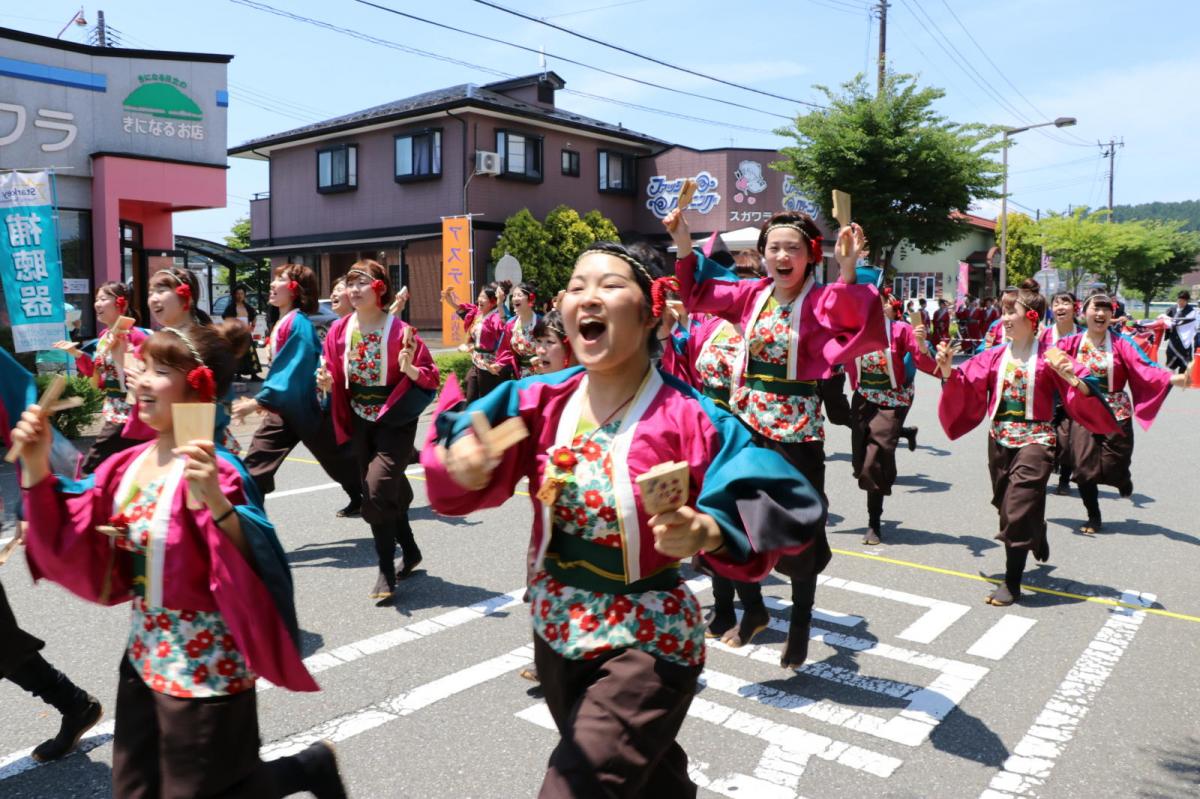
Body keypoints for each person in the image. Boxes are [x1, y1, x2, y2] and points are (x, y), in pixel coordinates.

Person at [421, 239, 826, 797]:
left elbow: (779, 493)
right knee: (651, 782)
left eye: (609, 285)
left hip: (648, 638)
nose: (587, 297)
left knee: (578, 785)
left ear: (650, 310)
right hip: (556, 627)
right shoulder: (536, 400)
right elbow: (460, 438)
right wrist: (460, 463)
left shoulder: (691, 415)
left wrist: (711, 528)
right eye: (577, 286)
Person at [13, 322, 345, 797]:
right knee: (135, 790)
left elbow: (258, 562)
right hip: (145, 657)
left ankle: (302, 770)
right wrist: (38, 465)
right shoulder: (124, 466)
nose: (141, 379)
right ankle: (305, 769)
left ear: (198, 384)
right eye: (142, 366)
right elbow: (78, 536)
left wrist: (217, 504)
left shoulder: (219, 470)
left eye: (160, 369)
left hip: (209, 664)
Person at [667, 207, 885, 667]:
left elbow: (853, 319)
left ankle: (802, 621)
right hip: (745, 424)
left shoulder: (823, 299)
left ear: (809, 255)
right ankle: (753, 608)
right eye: (773, 248)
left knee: (798, 530)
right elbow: (700, 291)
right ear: (762, 255)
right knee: (734, 521)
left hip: (797, 431)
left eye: (792, 248)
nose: (782, 256)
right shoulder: (751, 296)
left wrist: (846, 267)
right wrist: (685, 242)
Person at [934, 279, 1117, 606]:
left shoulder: (1051, 356)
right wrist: (948, 370)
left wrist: (1075, 379)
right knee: (1006, 507)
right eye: (1004, 311)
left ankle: (1012, 583)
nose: (1004, 318)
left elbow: (1088, 384)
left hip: (1037, 439)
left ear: (1031, 318)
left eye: (1010, 312)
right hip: (999, 439)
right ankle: (1037, 528)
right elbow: (964, 383)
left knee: (1016, 509)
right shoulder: (992, 356)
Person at [322, 261, 439, 600]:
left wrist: (411, 369)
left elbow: (431, 377)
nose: (353, 290)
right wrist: (327, 383)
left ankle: (386, 570)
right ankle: (411, 550)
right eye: (350, 283)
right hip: (359, 420)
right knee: (385, 492)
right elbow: (330, 370)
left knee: (374, 491)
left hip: (394, 420)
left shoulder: (401, 330)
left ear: (380, 288)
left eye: (362, 283)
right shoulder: (339, 331)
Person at [1054, 293, 1193, 533]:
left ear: (1112, 315)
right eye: (1096, 308)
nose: (1100, 313)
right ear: (1084, 312)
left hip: (1115, 410)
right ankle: (1093, 515)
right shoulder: (1070, 343)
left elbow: (1145, 368)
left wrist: (1174, 378)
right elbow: (1048, 362)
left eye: (1106, 309)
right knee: (1085, 469)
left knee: (1115, 464)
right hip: (1083, 411)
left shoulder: (1122, 343)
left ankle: (1121, 477)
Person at [234, 265, 363, 517]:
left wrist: (258, 400)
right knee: (256, 467)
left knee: (338, 459)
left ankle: (371, 496)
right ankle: (251, 526)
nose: (272, 284)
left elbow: (293, 372)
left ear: (295, 289)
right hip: (289, 409)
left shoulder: (299, 324)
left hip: (304, 409)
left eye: (280, 279)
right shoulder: (286, 321)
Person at [850, 291, 936, 545]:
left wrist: (922, 344)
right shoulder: (853, 330)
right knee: (860, 462)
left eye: (878, 302)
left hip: (893, 399)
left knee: (873, 460)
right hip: (864, 398)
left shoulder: (900, 330)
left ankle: (874, 522)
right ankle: (889, 459)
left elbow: (922, 358)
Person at [61, 282, 149, 474]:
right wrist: (75, 353)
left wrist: (124, 350)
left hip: (130, 411)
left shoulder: (136, 336)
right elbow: (96, 371)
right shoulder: (103, 336)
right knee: (123, 465)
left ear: (121, 304)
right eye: (96, 299)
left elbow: (141, 373)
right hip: (114, 408)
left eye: (103, 299)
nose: (97, 304)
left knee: (94, 462)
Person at [1041, 292, 1085, 494]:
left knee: (1068, 440)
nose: (1060, 306)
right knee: (1046, 437)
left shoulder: (1084, 335)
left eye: (1065, 302)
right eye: (1056, 303)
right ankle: (1041, 475)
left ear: (1075, 307)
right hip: (1048, 393)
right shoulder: (1044, 335)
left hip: (1075, 393)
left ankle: (1064, 480)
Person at [495, 282, 542, 379]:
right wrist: (499, 364)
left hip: (542, 373)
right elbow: (506, 350)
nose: (515, 298)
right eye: (514, 295)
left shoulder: (541, 322)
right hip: (520, 374)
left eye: (519, 295)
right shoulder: (511, 324)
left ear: (530, 298)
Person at [222, 284, 261, 380]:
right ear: (234, 295)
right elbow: (226, 318)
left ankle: (254, 374)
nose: (240, 295)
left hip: (246, 333)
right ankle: (238, 375)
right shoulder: (231, 307)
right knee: (238, 355)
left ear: (244, 295)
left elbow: (254, 316)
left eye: (242, 293)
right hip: (236, 334)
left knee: (251, 353)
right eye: (238, 294)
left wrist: (253, 326)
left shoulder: (247, 307)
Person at [1164, 290, 1198, 373]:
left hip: (1185, 342)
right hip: (1173, 339)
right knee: (1171, 360)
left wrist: (1169, 322)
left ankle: (1183, 379)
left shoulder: (1191, 311)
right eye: (1179, 300)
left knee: (1185, 364)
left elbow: (1178, 323)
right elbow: (1165, 320)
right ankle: (1171, 379)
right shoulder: (1172, 309)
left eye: (1183, 301)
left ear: (1187, 301)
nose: (1180, 303)